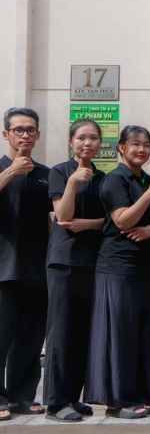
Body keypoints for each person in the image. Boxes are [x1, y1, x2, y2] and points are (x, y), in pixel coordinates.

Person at [85, 125, 150, 419]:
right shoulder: (115, 179)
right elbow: (121, 220)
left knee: (145, 332)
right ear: (121, 147)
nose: (141, 149)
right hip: (118, 266)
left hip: (148, 265)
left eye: (146, 145)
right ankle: (117, 401)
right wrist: (148, 196)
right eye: (135, 143)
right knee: (120, 332)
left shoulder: (149, 180)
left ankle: (142, 394)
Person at [43, 119, 106, 422]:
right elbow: (63, 215)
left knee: (83, 332)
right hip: (64, 262)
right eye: (81, 137)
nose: (87, 143)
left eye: (93, 138)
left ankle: (73, 396)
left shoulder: (103, 178)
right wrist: (72, 182)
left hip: (92, 262)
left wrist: (88, 224)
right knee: (61, 332)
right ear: (71, 142)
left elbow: (112, 221)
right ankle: (56, 403)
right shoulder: (59, 172)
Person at [0, 108, 51, 420]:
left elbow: (47, 218)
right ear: (6, 134)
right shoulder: (2, 168)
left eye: (30, 130)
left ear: (38, 135)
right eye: (18, 129)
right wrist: (11, 172)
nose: (25, 135)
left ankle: (21, 395)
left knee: (31, 339)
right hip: (4, 268)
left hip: (38, 269)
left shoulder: (44, 173)